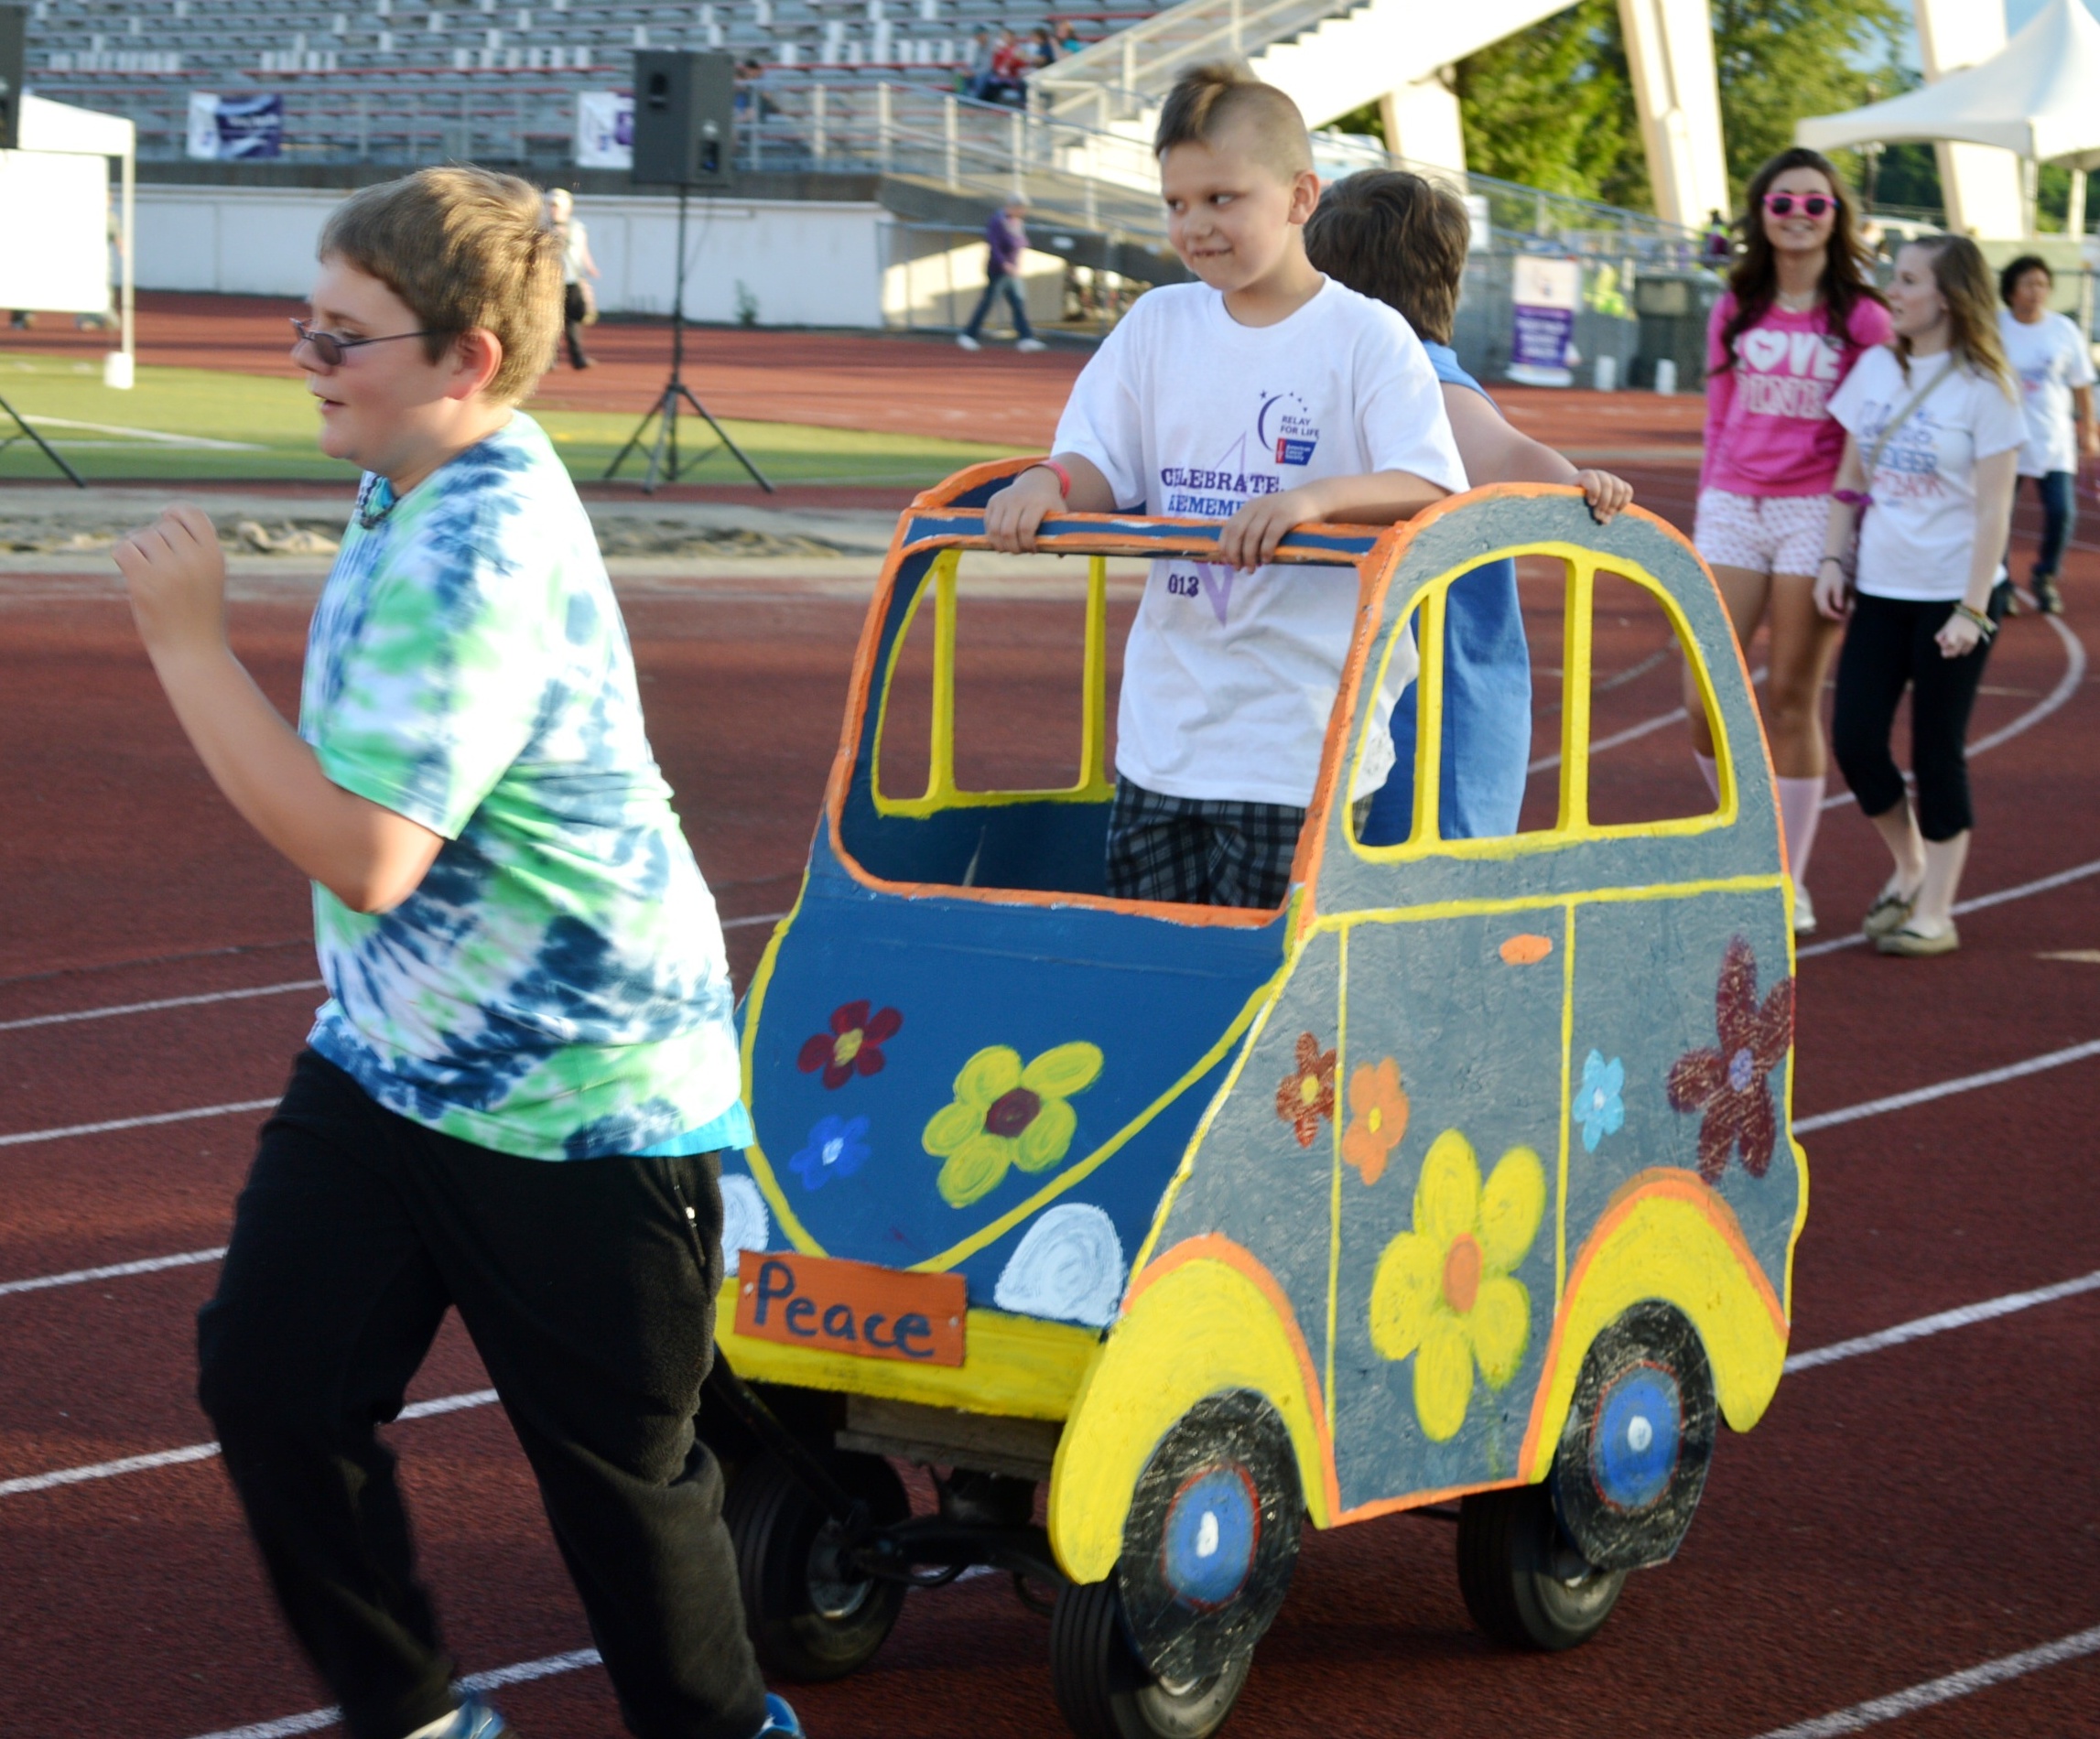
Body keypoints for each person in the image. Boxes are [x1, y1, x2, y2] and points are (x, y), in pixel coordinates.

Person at [111, 167, 803, 1739]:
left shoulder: (478, 547)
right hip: (398, 1053)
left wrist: (187, 645)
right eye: (305, 321)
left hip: (582, 1090)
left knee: (621, 1492)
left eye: (340, 336)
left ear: (467, 357)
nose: (305, 358)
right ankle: (419, 1718)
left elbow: (367, 852)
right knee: (271, 1384)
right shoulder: (416, 468)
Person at [982, 65, 1468, 907]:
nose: (1195, 225)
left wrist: (1311, 500)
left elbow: (1429, 481)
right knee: (1156, 962)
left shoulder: (1367, 337)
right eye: (1176, 203)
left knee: (1270, 975)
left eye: (1222, 198)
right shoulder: (1157, 323)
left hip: (1301, 742)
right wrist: (1046, 479)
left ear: (1300, 197)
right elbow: (1098, 457)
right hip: (1165, 739)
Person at [1304, 168, 1633, 844]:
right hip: (1378, 701)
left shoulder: (1422, 379)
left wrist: (1578, 483)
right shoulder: (1353, 372)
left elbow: (1514, 460)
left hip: (1435, 716)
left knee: (1423, 893)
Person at [1690, 146, 1893, 936]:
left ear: (1837, 217)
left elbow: (1871, 433)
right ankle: (1746, 840)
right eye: (1783, 203)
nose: (1799, 216)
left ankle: (1786, 878)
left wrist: (1849, 534)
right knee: (1703, 698)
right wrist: (1709, 503)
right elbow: (1717, 418)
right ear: (1760, 214)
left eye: (1816, 203)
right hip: (1733, 506)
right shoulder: (1736, 305)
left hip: (1815, 510)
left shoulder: (1864, 318)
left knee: (1789, 699)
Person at [1815, 234, 2023, 956]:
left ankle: (1935, 912)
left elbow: (1995, 511)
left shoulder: (1987, 388)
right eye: (1893, 278)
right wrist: (1833, 559)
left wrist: (1973, 608)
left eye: (1907, 280)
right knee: (1855, 740)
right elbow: (1851, 476)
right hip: (1880, 587)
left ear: (1949, 296)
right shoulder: (1876, 367)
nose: (1892, 292)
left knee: (1936, 752)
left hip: (1953, 595)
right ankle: (1910, 864)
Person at [1996, 253, 2095, 617]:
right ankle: (2000, 583)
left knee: (2061, 512)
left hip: (2053, 439)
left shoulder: (2063, 330)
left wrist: (2089, 429)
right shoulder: (1995, 327)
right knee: (1999, 515)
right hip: (2004, 437)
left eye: (2042, 284)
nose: (2036, 291)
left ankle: (2045, 575)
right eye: (2028, 284)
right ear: (2011, 290)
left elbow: (2081, 384)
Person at [957, 196, 1046, 352]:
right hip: (998, 270)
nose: (1024, 212)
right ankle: (968, 335)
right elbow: (994, 245)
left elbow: (1021, 243)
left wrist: (1016, 264)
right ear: (1013, 207)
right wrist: (1005, 264)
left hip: (1012, 271)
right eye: (1021, 208)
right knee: (988, 302)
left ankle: (1026, 338)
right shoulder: (998, 221)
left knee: (1018, 303)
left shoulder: (1017, 223)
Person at [546, 186, 599, 370]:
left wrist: (590, 267)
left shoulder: (577, 227)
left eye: (556, 206)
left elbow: (583, 250)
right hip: (549, 282)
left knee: (573, 321)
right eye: (551, 205)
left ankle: (578, 358)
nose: (553, 209)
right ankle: (549, 359)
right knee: (549, 322)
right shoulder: (542, 227)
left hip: (571, 280)